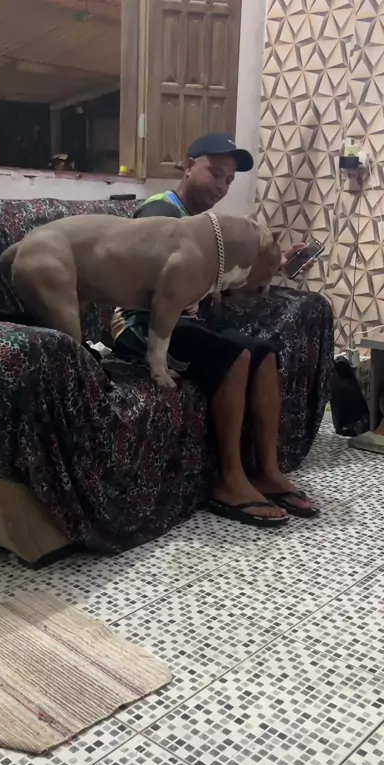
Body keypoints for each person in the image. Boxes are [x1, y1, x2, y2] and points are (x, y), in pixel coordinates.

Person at [111, 132, 319, 526]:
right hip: (143, 324)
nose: (222, 186)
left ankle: (268, 471)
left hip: (185, 324)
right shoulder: (161, 211)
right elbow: (154, 288)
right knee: (233, 355)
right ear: (188, 165)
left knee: (264, 352)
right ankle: (229, 480)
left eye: (228, 180)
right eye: (215, 173)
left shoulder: (211, 228)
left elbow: (223, 282)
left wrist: (272, 264)